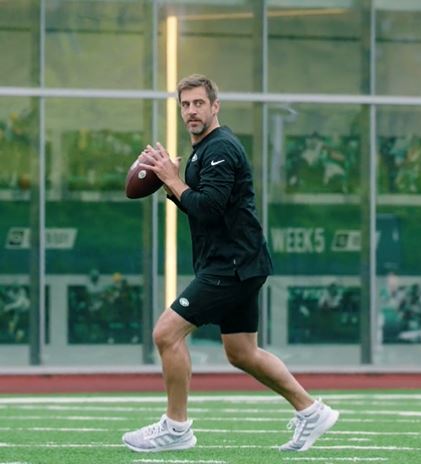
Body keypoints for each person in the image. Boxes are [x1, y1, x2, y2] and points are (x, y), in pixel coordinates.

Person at [122, 74, 339, 453]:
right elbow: (203, 204)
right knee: (241, 352)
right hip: (240, 263)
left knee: (165, 334)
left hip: (231, 265)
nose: (191, 111)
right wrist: (167, 180)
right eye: (185, 104)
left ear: (215, 106)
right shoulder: (204, 150)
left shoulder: (221, 148)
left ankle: (176, 427)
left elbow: (209, 207)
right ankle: (311, 411)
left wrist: (174, 181)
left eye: (199, 103)